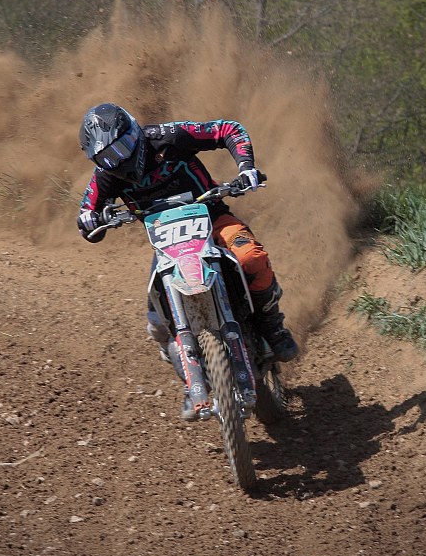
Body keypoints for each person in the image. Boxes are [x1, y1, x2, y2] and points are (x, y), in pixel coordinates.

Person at [77, 103, 299, 418]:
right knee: (157, 323)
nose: (120, 159)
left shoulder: (168, 137)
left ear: (135, 132)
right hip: (168, 244)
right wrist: (89, 220)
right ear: (98, 160)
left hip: (214, 218)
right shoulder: (105, 177)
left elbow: (227, 129)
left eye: (124, 146)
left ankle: (272, 327)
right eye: (109, 157)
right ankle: (192, 380)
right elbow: (87, 215)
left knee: (250, 257)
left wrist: (245, 168)